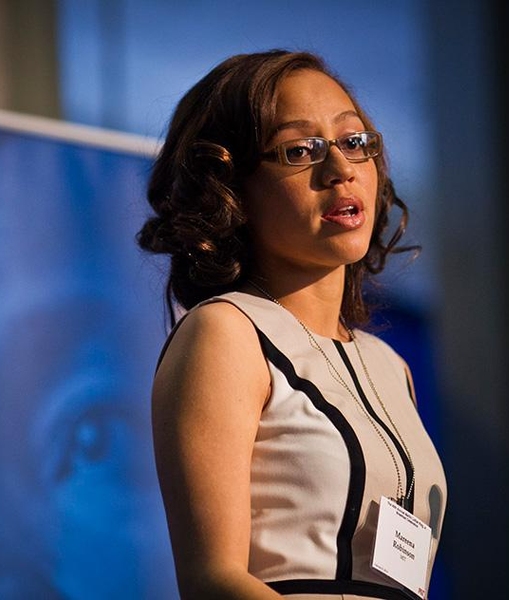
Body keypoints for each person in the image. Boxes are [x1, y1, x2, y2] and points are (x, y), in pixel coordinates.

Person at [138, 50, 447, 599]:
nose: (341, 170)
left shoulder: (391, 366)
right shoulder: (226, 333)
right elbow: (214, 582)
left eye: (354, 142)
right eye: (300, 150)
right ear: (231, 190)